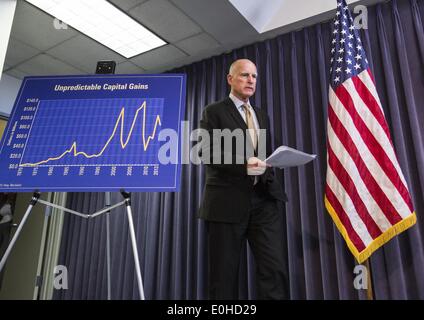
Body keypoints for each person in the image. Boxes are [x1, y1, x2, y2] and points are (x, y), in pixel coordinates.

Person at [198, 59, 289, 299]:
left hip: (263, 202)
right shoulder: (214, 111)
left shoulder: (261, 115)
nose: (251, 81)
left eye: (254, 77)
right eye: (244, 75)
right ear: (230, 79)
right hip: (226, 204)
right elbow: (205, 151)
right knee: (224, 278)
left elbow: (261, 155)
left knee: (275, 269)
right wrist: (243, 165)